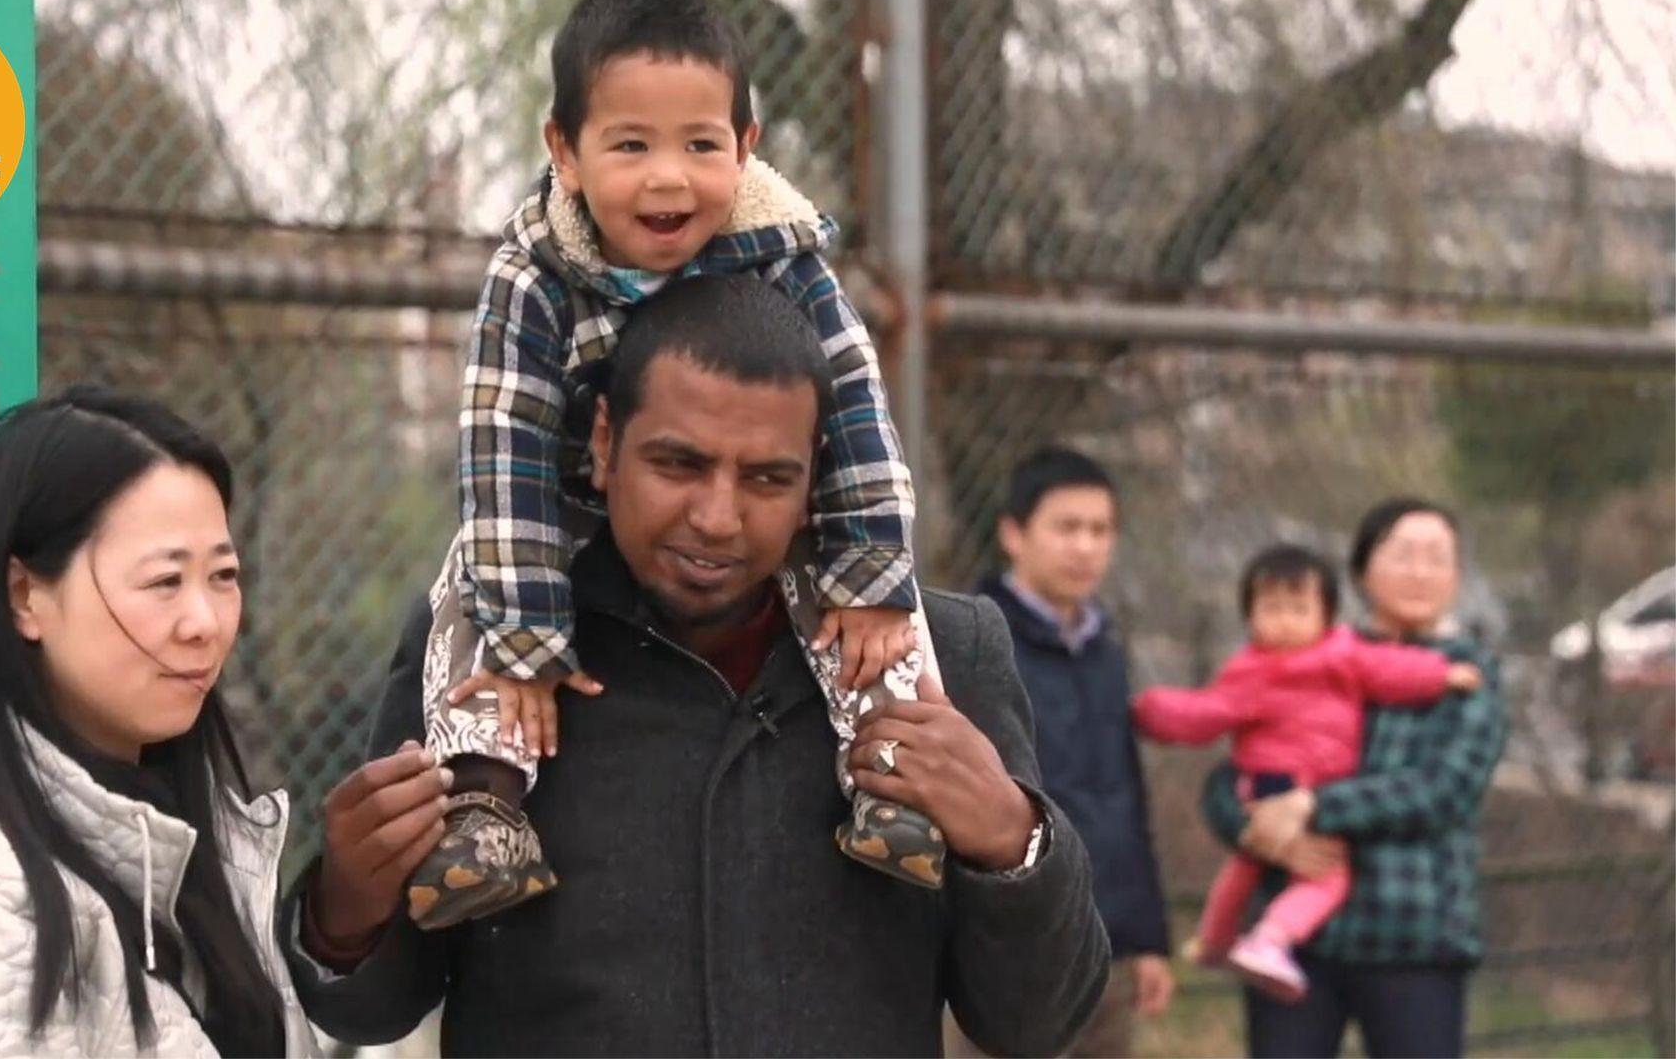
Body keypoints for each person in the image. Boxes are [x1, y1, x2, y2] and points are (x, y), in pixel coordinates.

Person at [281, 275, 1109, 1056]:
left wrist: (1011, 840)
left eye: (766, 478)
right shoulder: (490, 655)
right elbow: (373, 1006)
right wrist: (347, 906)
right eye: (678, 465)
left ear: (817, 469)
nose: (717, 518)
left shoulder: (941, 656)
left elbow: (1035, 1024)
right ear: (604, 443)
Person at [406, 0, 943, 929]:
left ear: (747, 145)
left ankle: (896, 782)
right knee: (470, 590)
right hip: (574, 503)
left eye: (701, 145)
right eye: (630, 145)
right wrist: (529, 637)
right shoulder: (534, 274)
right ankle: (485, 805)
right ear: (563, 152)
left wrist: (871, 568)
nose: (668, 179)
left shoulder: (780, 251)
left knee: (882, 618)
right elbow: (503, 451)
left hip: (766, 499)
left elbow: (856, 407)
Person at [0, 387, 317, 1056]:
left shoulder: (198, 849)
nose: (205, 623)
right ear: (26, 595)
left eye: (223, 576)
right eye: (164, 582)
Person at [1201, 499, 1507, 1058]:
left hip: (1414, 939)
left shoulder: (1469, 672)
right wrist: (1252, 827)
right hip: (1295, 944)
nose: (1419, 571)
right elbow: (1230, 774)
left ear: (1457, 577)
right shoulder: (1308, 653)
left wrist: (1311, 807)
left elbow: (1442, 788)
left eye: (1437, 559)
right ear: (1363, 569)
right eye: (1403, 555)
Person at [1132, 544, 1481, 1003]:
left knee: (1247, 864)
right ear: (1249, 615)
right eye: (1271, 608)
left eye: (1298, 609)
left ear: (1328, 614)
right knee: (1328, 876)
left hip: (1265, 788)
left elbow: (1392, 671)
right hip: (1305, 786)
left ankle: (1214, 941)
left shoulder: (1307, 660)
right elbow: (1206, 713)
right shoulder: (1290, 665)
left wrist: (1437, 674)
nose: (1284, 621)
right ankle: (1270, 939)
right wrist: (1153, 712)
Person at [976, 446, 1173, 1057]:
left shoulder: (1105, 648)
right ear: (1013, 532)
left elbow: (1124, 797)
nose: (1085, 546)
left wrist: (1147, 939)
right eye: (1067, 527)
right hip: (1005, 946)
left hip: (1104, 942)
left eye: (1100, 530)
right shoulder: (973, 639)